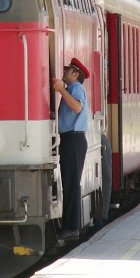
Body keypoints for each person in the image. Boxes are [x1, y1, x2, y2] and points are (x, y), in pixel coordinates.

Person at [52, 57, 90, 240]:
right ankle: (69, 225)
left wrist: (61, 91)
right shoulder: (73, 89)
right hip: (70, 140)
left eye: (68, 70)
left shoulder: (76, 89)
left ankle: (72, 227)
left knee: (72, 184)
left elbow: (77, 107)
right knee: (69, 183)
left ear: (75, 74)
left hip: (74, 139)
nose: (64, 72)